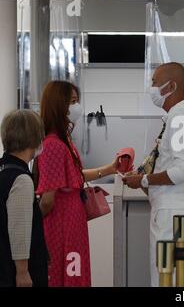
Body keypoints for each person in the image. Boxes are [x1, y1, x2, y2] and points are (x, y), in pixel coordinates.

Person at [122, 62, 184, 287]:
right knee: (176, 276)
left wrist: (144, 179)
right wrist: (145, 176)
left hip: (173, 213)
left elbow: (183, 170)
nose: (151, 88)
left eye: (154, 83)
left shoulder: (180, 116)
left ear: (172, 85)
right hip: (177, 211)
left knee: (167, 277)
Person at [36, 81, 119, 287]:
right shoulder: (54, 144)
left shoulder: (62, 141)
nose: (77, 107)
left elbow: (72, 176)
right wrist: (32, 222)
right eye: (72, 102)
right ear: (58, 105)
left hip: (70, 219)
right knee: (67, 274)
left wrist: (109, 169)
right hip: (62, 222)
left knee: (71, 272)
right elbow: (48, 200)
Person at [0, 110, 48, 287]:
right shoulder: (21, 179)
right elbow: (19, 228)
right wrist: (22, 272)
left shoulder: (3, 168)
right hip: (14, 272)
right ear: (34, 138)